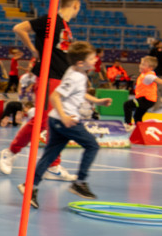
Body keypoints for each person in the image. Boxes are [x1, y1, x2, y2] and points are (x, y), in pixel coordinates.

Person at [0, 0, 82, 180]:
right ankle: (10, 152)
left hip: (62, 80)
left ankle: (53, 165)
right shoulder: (50, 21)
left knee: (57, 123)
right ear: (76, 5)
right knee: (42, 121)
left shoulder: (65, 26)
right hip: (48, 77)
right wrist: (34, 50)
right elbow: (18, 28)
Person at [19, 41, 112, 208]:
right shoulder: (76, 76)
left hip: (56, 120)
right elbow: (54, 96)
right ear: (80, 62)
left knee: (49, 155)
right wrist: (64, 116)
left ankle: (29, 187)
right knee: (92, 145)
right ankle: (80, 182)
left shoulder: (75, 71)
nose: (96, 60)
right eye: (92, 58)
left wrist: (98, 101)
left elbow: (80, 94)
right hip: (65, 121)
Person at [123, 56, 162, 126]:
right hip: (148, 100)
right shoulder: (146, 74)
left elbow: (159, 80)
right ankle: (139, 128)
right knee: (137, 116)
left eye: (143, 65)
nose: (140, 66)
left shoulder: (149, 76)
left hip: (146, 100)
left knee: (127, 105)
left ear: (150, 68)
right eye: (141, 64)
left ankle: (127, 124)